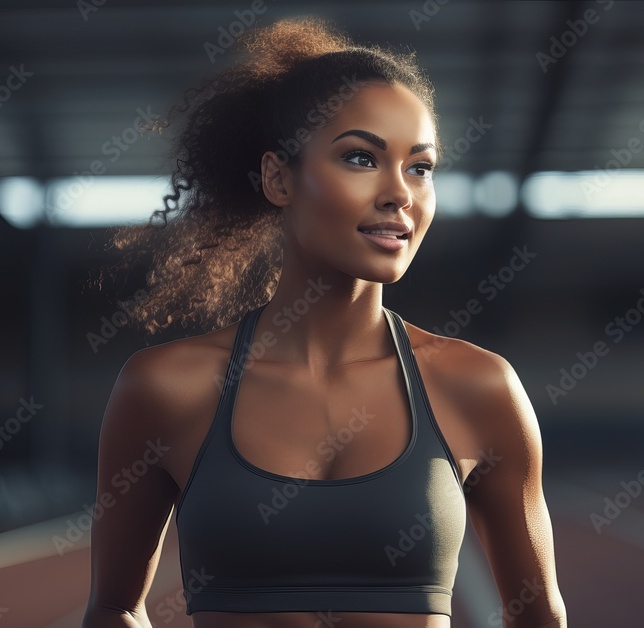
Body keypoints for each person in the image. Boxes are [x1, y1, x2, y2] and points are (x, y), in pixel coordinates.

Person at [82, 15, 566, 628]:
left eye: (420, 167)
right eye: (361, 158)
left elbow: (539, 617)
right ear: (278, 177)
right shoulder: (164, 387)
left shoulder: (480, 386)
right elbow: (114, 611)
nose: (401, 194)